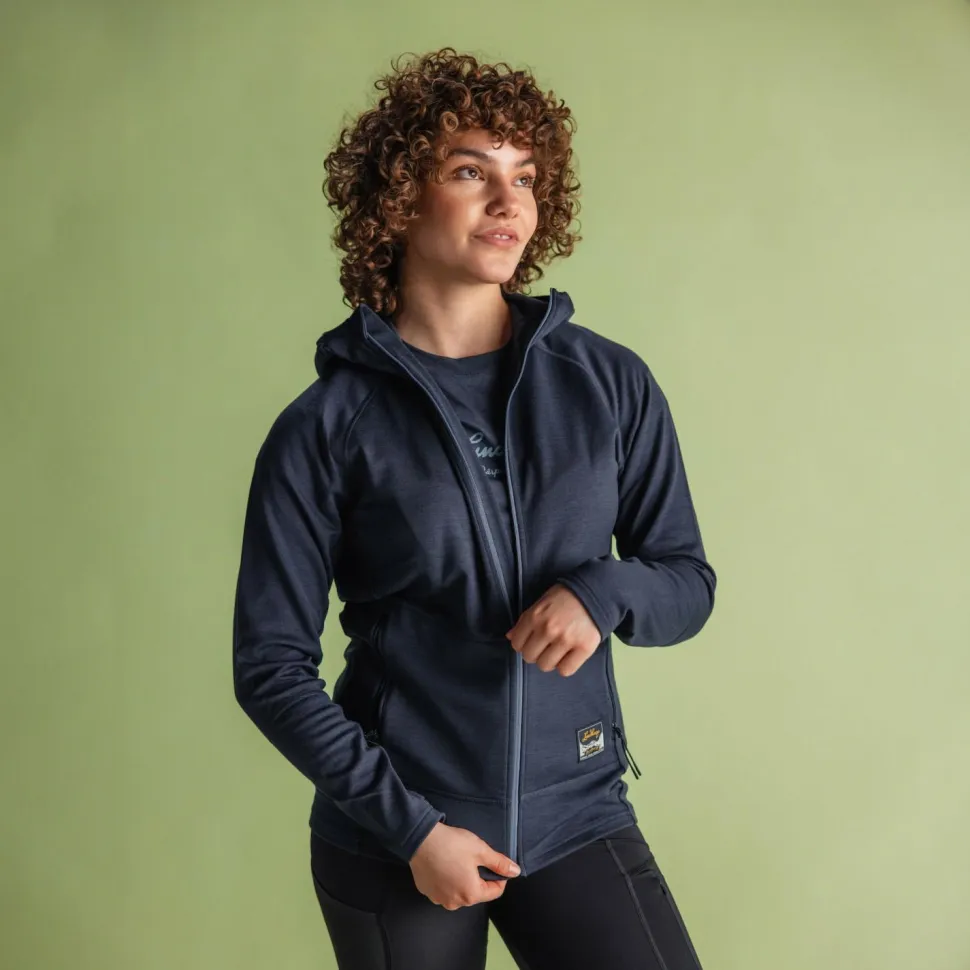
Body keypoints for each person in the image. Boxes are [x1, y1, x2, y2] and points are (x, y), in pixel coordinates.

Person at [232, 45, 716, 970]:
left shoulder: (608, 383)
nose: (508, 202)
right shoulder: (326, 426)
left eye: (525, 177)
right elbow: (270, 668)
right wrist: (414, 830)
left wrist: (604, 591)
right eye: (470, 172)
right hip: (396, 836)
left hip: (578, 814)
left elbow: (686, 582)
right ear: (399, 199)